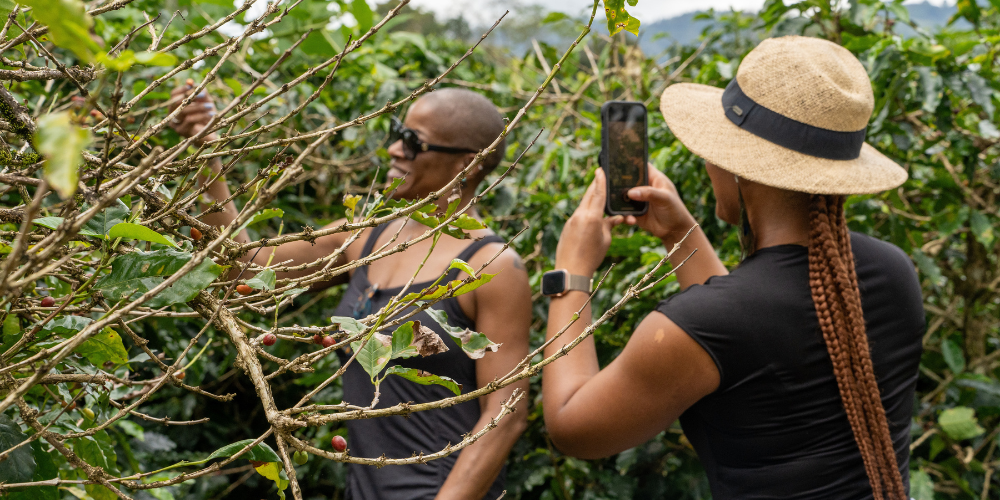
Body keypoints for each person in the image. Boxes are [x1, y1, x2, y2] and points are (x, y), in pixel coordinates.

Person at [541, 36, 924, 500]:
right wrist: (680, 235)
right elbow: (752, 334)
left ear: (738, 166)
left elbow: (571, 426)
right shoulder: (894, 271)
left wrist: (572, 274)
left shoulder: (705, 323)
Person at [169, 86, 531, 500]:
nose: (395, 149)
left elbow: (506, 415)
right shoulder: (369, 238)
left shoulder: (494, 266)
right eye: (398, 133)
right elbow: (247, 270)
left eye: (413, 142)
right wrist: (206, 154)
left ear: (467, 164)